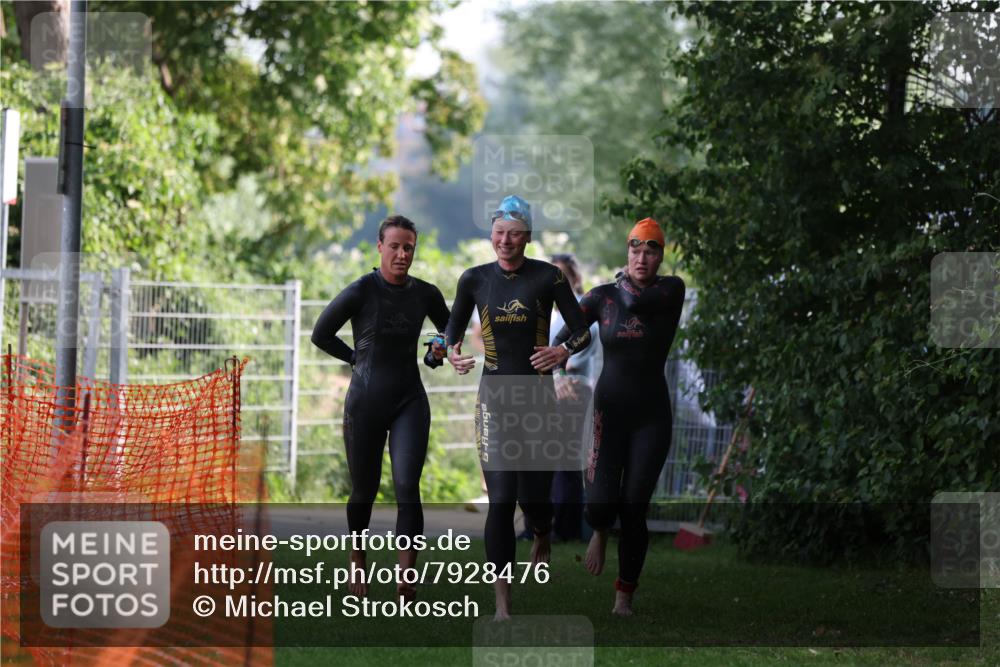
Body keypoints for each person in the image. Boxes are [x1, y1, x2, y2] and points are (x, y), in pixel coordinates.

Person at [445, 195, 592, 620]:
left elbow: (582, 332)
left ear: (526, 237)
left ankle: (542, 533)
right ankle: (502, 604)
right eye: (499, 233)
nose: (505, 241)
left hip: (538, 400)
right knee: (502, 500)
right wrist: (450, 353)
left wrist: (561, 351)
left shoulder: (549, 278)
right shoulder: (473, 279)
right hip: (493, 398)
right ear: (491, 234)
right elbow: (449, 334)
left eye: (514, 234)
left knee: (535, 499)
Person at [311, 215, 449, 601]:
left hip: (410, 401)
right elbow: (320, 334)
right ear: (380, 247)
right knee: (364, 491)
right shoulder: (361, 291)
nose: (402, 254)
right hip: (365, 403)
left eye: (409, 248)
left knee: (407, 486)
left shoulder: (426, 293)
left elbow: (448, 332)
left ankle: (406, 576)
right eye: (395, 246)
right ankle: (358, 558)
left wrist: (436, 353)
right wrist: (355, 357)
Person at [554, 217, 685, 616]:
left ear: (660, 256)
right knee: (598, 505)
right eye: (635, 249)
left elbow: (635, 302)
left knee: (633, 508)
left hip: (651, 416)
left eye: (650, 251)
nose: (641, 258)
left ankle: (623, 595)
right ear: (627, 251)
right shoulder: (601, 296)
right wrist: (559, 365)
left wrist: (619, 279)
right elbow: (568, 333)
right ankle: (599, 529)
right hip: (607, 413)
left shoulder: (669, 289)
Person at [522, 253, 602, 542]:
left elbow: (566, 357)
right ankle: (548, 527)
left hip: (572, 391)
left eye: (561, 276)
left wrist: (556, 374)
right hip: (551, 389)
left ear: (574, 279)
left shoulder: (580, 313)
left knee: (564, 463)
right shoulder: (551, 312)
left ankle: (560, 529)